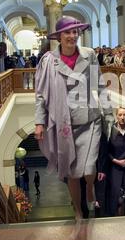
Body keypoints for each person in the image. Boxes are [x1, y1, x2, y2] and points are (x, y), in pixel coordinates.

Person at [35, 16, 113, 220]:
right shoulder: (49, 61)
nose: (72, 36)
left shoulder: (90, 55)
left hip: (90, 120)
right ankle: (78, 210)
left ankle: (89, 187)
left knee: (88, 168)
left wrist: (109, 112)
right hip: (64, 124)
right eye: (67, 32)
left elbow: (100, 84)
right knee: (71, 172)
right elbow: (41, 94)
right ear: (59, 36)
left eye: (75, 32)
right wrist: (39, 121)